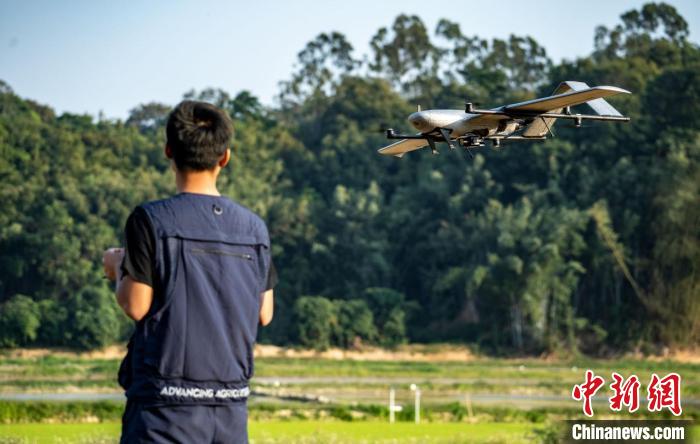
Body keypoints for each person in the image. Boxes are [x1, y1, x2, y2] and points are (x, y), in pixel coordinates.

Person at [102, 100, 276, 443]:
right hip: (231, 406)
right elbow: (264, 312)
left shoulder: (150, 219)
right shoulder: (254, 228)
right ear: (225, 157)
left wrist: (117, 267)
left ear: (169, 150)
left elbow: (136, 305)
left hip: (164, 411)